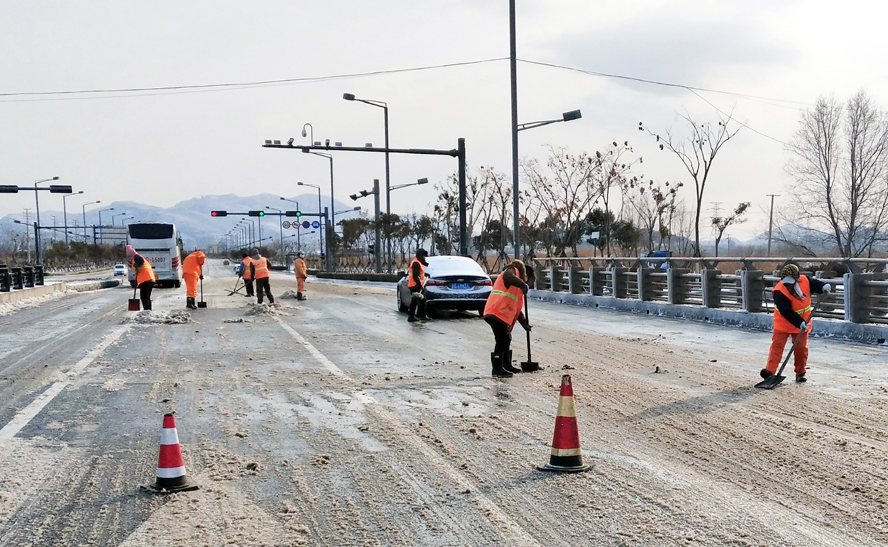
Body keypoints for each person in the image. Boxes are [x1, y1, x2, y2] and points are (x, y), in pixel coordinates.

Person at [761, 263, 831, 383]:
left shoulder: (805, 280)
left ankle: (800, 373)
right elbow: (786, 311)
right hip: (784, 323)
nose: (788, 285)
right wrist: (799, 322)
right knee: (777, 347)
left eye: (790, 282)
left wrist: (823, 286)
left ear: (796, 278)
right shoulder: (779, 291)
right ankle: (769, 372)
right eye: (786, 282)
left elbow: (816, 284)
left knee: (801, 349)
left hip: (802, 324)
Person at [483, 260, 532, 378]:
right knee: (502, 340)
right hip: (496, 312)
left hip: (499, 314)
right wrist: (522, 284)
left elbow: (517, 310)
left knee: (506, 338)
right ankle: (497, 368)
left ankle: (506, 365)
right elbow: (508, 276)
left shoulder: (516, 288)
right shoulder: (512, 271)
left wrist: (524, 324)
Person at [127, 244, 156, 311]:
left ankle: (146, 311)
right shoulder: (137, 257)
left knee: (144, 297)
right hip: (149, 278)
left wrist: (135, 265)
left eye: (129, 256)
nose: (129, 257)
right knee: (146, 297)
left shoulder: (136, 257)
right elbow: (140, 269)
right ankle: (148, 311)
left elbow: (140, 261)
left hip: (145, 279)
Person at [406, 248, 430, 323]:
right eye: (424, 256)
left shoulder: (417, 262)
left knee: (418, 301)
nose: (424, 258)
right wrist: (420, 286)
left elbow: (419, 273)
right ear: (421, 255)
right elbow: (415, 276)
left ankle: (418, 315)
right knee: (417, 301)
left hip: (415, 285)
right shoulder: (416, 263)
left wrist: (425, 274)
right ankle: (415, 316)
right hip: (415, 285)